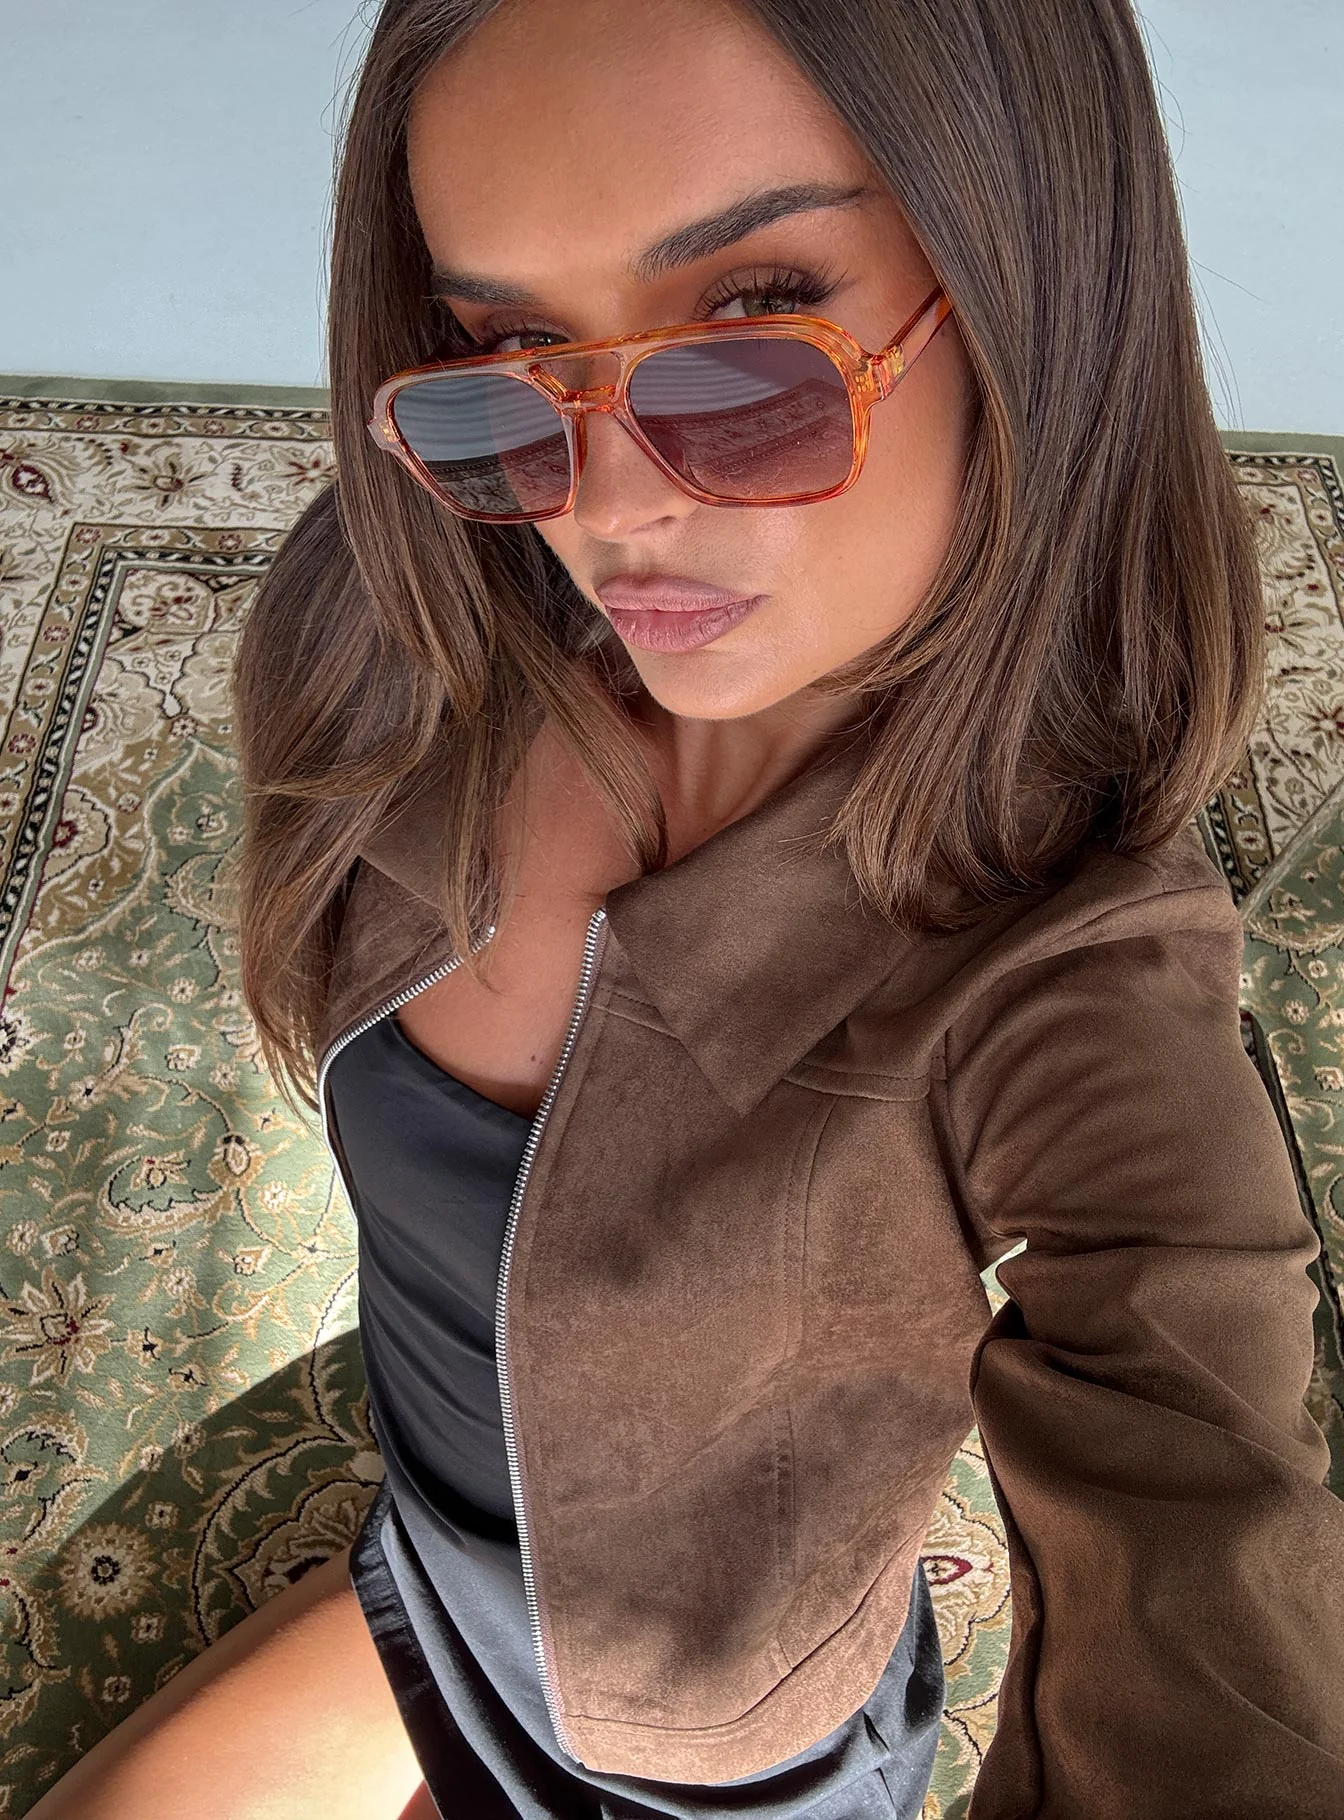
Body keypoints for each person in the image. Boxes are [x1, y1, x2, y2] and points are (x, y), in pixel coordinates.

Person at [30, 0, 1344, 1816]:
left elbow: (1210, 1511)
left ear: (1032, 293)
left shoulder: (1071, 968)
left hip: (705, 1757)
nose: (608, 506)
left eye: (753, 330)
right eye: (509, 346)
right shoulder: (397, 612)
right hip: (433, 1570)